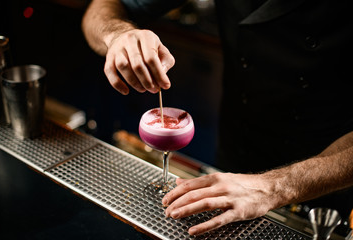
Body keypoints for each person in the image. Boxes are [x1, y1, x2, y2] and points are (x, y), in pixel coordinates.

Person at [82, 0, 353, 236]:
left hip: (323, 179)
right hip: (235, 154)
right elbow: (101, 8)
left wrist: (275, 187)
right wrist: (118, 35)